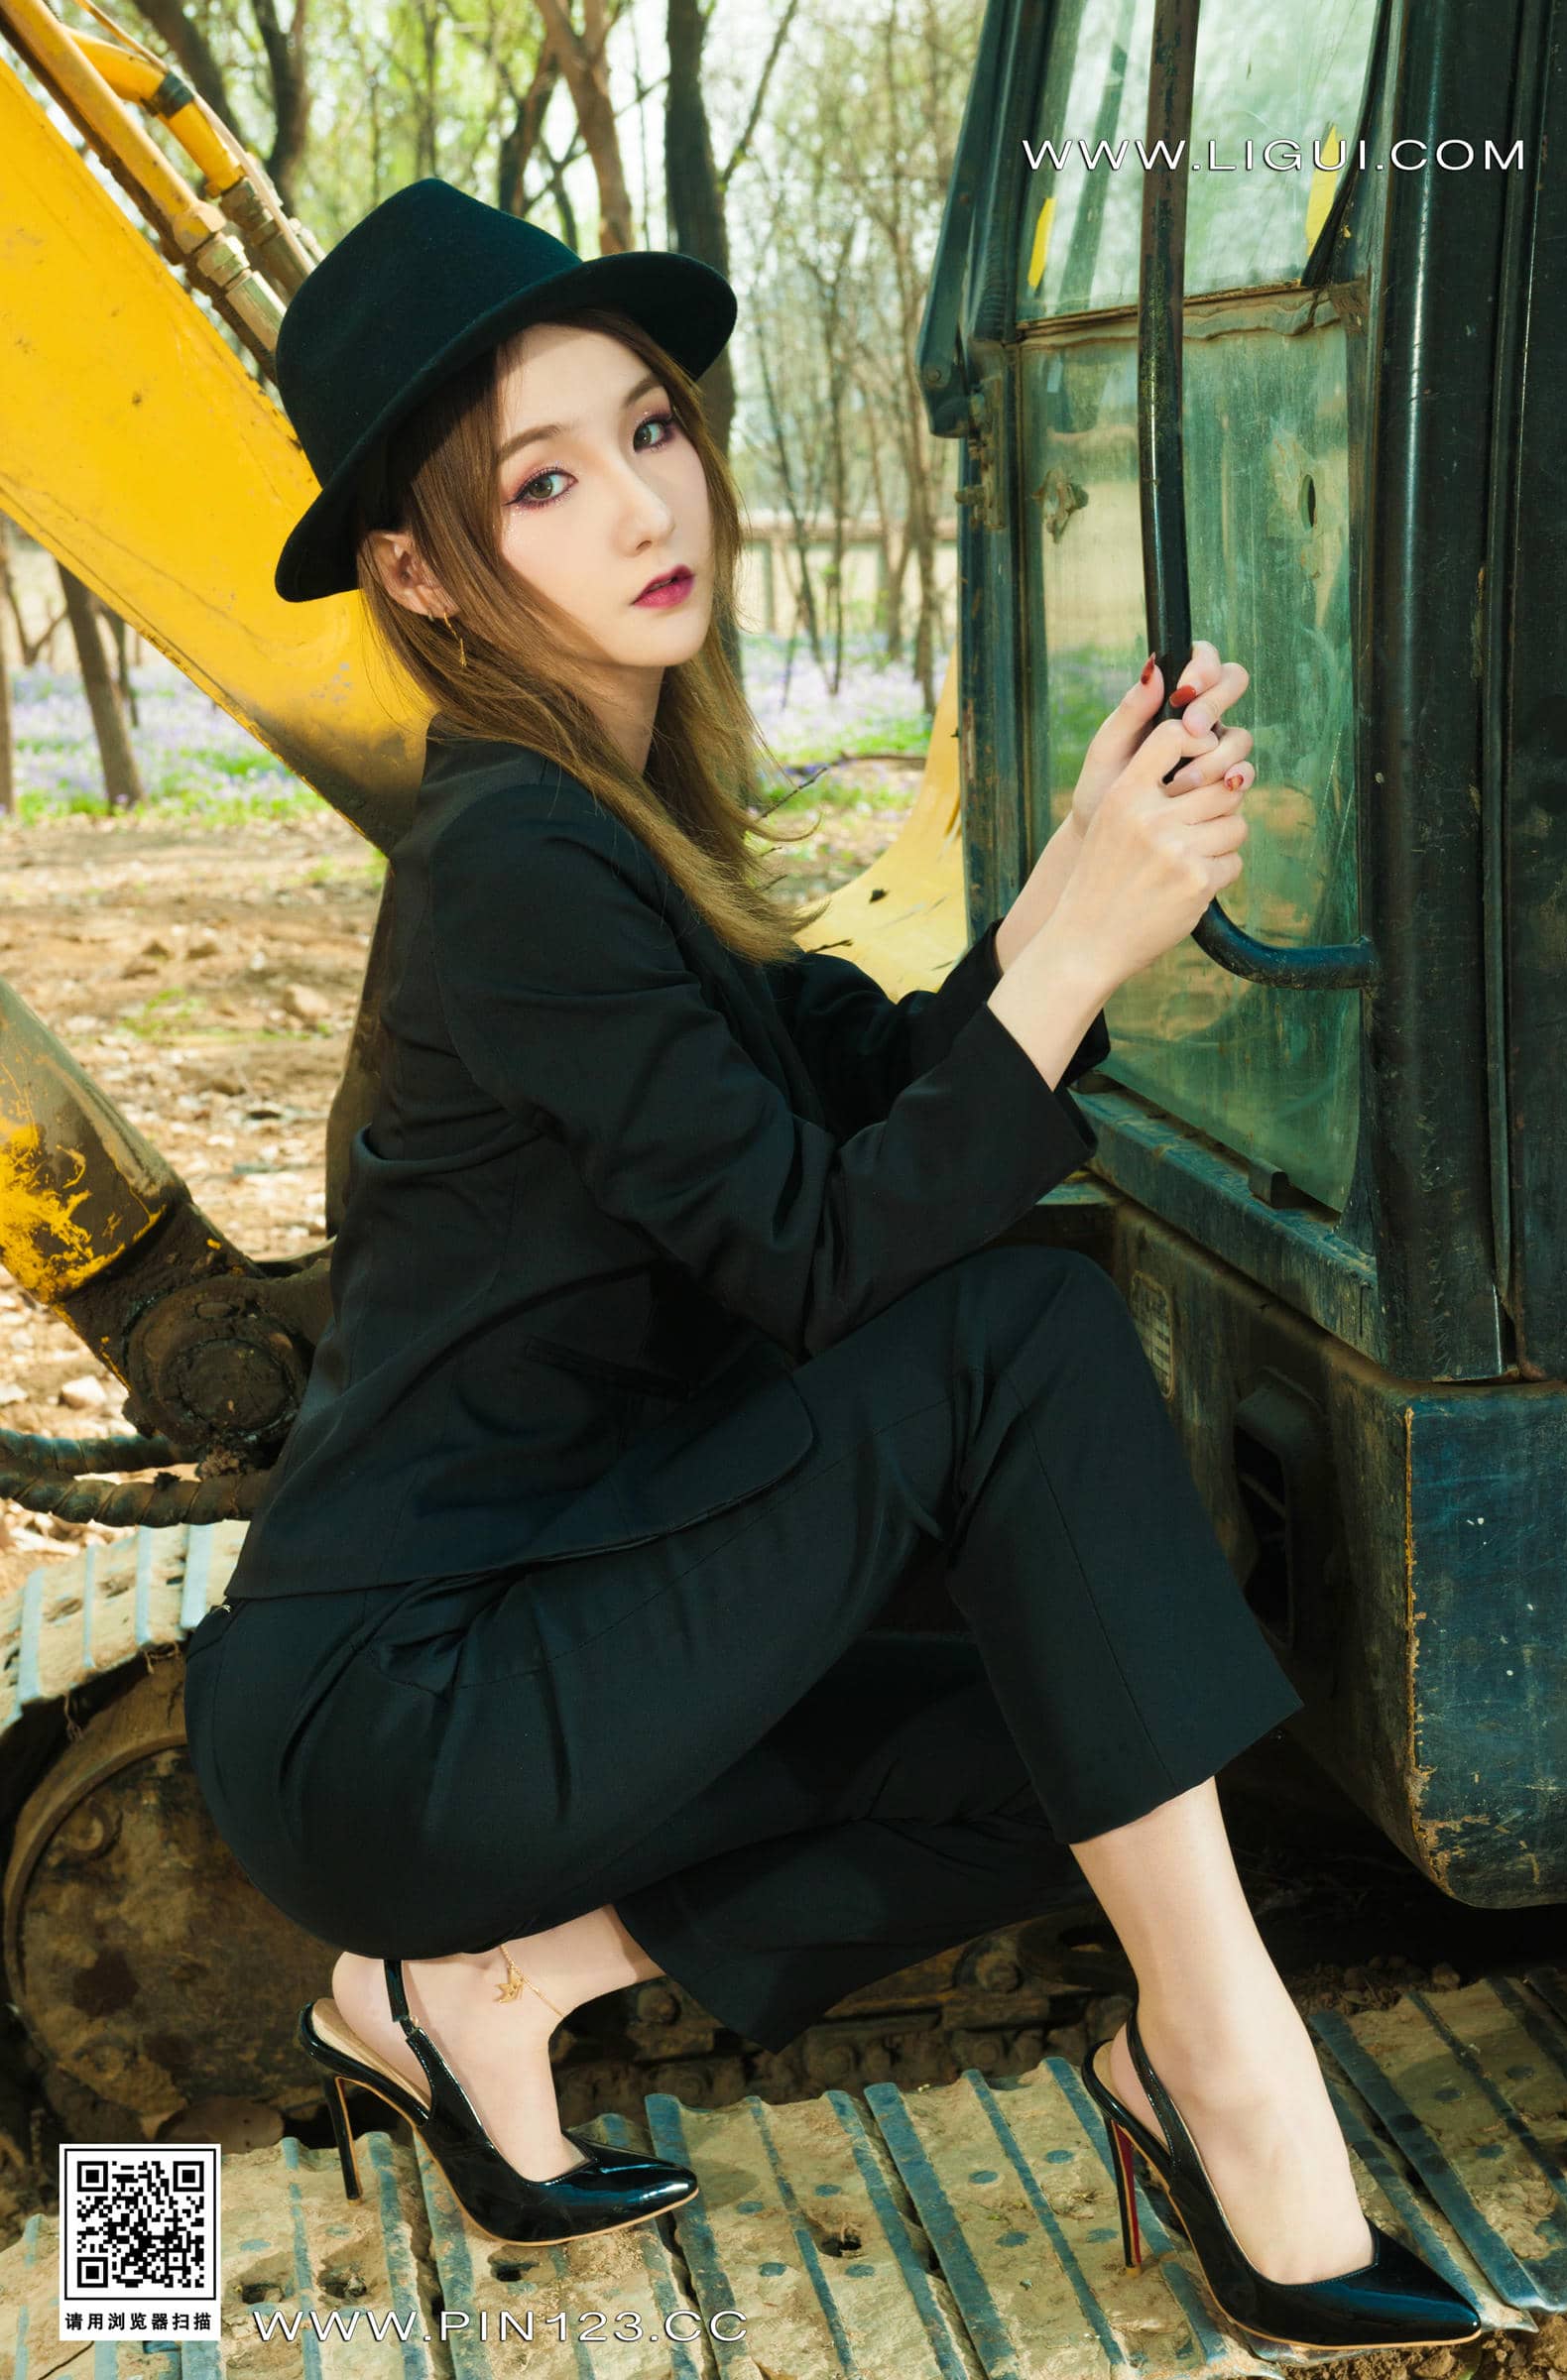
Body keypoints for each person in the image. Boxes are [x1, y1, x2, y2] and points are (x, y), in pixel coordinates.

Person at [181, 178, 1480, 2351]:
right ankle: (1231, 2079)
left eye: (648, 431)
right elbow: (820, 1260)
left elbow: (873, 1103)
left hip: (557, 1628)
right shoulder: (510, 861)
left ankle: (491, 1991)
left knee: (1099, 1716)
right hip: (409, 1701)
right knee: (1021, 1328)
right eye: (543, 480)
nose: (640, 504)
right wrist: (1070, 956)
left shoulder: (614, 828)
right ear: (421, 570)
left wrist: (1066, 884)